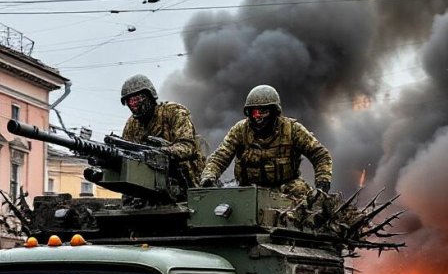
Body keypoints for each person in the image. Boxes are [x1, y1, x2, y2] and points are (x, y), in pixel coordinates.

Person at [199, 85, 332, 198]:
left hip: (287, 188)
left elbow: (320, 154)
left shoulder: (292, 129)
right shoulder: (240, 130)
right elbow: (221, 156)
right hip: (249, 190)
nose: (258, 117)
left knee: (306, 202)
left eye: (263, 111)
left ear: (274, 111)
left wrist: (323, 181)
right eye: (254, 112)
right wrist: (209, 176)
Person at [120, 74, 205, 187]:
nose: (134, 105)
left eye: (136, 99)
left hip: (185, 181)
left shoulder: (174, 112)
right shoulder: (131, 124)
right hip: (147, 183)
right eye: (129, 101)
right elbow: (125, 153)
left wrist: (161, 152)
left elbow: (187, 147)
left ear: (149, 96)